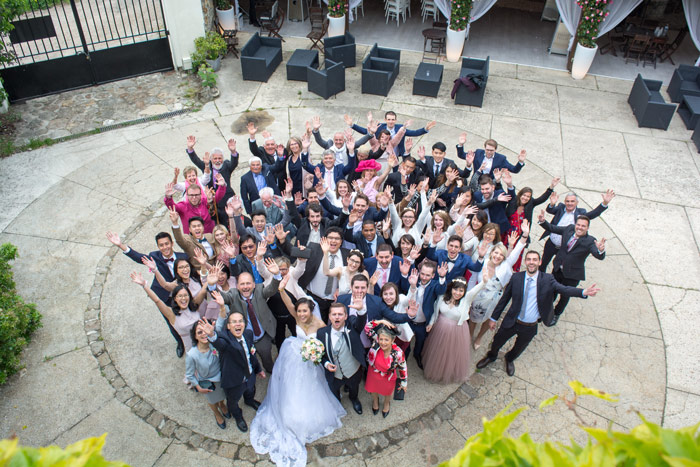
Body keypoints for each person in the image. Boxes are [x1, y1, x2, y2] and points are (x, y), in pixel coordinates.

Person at [250, 287, 346, 467]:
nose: (301, 314)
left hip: (311, 360)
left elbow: (328, 339)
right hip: (294, 353)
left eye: (305, 311)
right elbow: (287, 302)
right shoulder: (296, 317)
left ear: (311, 311)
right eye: (299, 310)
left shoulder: (319, 324)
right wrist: (281, 287)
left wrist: (320, 355)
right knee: (289, 385)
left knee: (312, 388)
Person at [476, 251, 601, 377]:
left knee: (519, 348)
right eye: (529, 259)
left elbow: (564, 289)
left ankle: (509, 359)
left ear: (540, 262)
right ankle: (491, 356)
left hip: (530, 326)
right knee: (497, 341)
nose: (531, 262)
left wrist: (583, 292)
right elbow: (504, 299)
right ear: (525, 262)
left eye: (535, 260)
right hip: (512, 320)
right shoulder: (516, 278)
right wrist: (493, 318)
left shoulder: (548, 279)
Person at [107, 230, 188, 357]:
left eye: (167, 244)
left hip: (182, 295)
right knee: (170, 321)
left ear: (172, 243)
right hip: (164, 296)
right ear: (158, 247)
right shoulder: (154, 256)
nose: (165, 247)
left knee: (186, 317)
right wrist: (120, 245)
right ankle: (180, 342)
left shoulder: (183, 257)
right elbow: (138, 257)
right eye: (161, 245)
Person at [201, 311, 266, 432]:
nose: (238, 324)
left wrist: (258, 369)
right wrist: (212, 335)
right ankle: (238, 416)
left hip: (250, 374)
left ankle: (249, 400)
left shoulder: (248, 334)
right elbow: (220, 344)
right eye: (234, 322)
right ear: (228, 326)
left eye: (240, 321)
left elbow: (251, 354)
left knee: (250, 390)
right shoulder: (225, 339)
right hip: (234, 381)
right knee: (233, 402)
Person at [469, 221, 530, 350]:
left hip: (495, 300)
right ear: (491, 253)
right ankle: (469, 335)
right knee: (473, 319)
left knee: (487, 320)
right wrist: (469, 296)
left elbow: (517, 251)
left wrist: (524, 235)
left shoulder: (505, 267)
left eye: (501, 255)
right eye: (496, 253)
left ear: (504, 258)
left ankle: (479, 337)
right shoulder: (483, 262)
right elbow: (473, 278)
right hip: (479, 297)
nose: (497, 256)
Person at [538, 212, 606, 323]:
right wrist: (542, 221)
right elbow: (552, 228)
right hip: (558, 268)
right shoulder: (569, 229)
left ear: (587, 228)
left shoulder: (590, 241)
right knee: (552, 291)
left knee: (565, 295)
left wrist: (601, 250)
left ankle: (556, 313)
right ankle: (546, 311)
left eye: (583, 226)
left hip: (572, 275)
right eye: (578, 225)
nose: (580, 227)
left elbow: (598, 255)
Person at [130, 269, 216, 352]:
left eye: (185, 295)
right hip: (192, 347)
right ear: (175, 298)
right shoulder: (171, 314)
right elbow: (157, 300)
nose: (183, 298)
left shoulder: (194, 306)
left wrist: (209, 278)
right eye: (180, 296)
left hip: (205, 340)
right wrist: (144, 285)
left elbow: (203, 291)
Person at [218, 262, 282, 373]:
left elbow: (271, 289)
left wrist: (276, 275)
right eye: (242, 284)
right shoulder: (233, 295)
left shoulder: (259, 289)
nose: (245, 287)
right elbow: (220, 296)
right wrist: (211, 285)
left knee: (266, 356)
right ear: (237, 286)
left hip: (262, 336)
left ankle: (270, 370)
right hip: (243, 337)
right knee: (246, 359)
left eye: (248, 283)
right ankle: (252, 372)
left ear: (253, 284)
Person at [422, 278, 486, 384]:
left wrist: (484, 281)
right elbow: (435, 311)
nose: (458, 293)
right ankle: (436, 370)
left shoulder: (466, 300)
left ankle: (447, 372)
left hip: (456, 331)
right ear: (451, 288)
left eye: (461, 291)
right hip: (440, 328)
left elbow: (475, 290)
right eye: (456, 289)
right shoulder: (442, 297)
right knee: (439, 350)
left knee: (451, 352)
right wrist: (431, 323)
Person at [539, 189, 614, 272]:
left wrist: (604, 203)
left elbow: (593, 214)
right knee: (543, 263)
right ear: (564, 202)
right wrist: (552, 204)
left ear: (577, 202)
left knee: (558, 268)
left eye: (572, 201)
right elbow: (550, 210)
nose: (569, 203)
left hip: (565, 247)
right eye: (567, 201)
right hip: (551, 243)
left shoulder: (581, 213)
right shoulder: (560, 207)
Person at [317, 302, 368, 415]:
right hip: (334, 374)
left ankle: (354, 399)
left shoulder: (352, 327)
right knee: (334, 390)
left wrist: (361, 311)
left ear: (345, 316)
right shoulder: (321, 333)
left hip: (353, 370)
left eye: (340, 314)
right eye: (334, 314)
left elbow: (360, 323)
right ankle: (337, 405)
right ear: (329, 316)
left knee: (354, 387)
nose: (337, 317)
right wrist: (326, 364)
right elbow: (320, 355)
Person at [399, 260, 448, 369]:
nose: (424, 277)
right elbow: (403, 287)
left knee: (420, 342)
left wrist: (442, 277)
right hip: (409, 320)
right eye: (422, 274)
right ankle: (404, 359)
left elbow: (441, 290)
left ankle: (417, 355)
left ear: (433, 275)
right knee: (406, 340)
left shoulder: (435, 285)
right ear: (419, 272)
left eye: (427, 275)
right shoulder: (414, 281)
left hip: (422, 322)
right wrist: (409, 281)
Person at [186, 313, 231, 429]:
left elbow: (220, 323)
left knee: (223, 395)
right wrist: (197, 386)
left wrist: (221, 307)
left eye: (205, 330)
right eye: (199, 332)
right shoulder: (192, 355)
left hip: (222, 377)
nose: (204, 334)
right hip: (208, 382)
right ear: (195, 336)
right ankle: (217, 413)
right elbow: (190, 374)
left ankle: (222, 405)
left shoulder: (214, 343)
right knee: (212, 401)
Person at [364, 320, 408, 417]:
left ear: (392, 340)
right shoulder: (376, 342)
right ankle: (375, 401)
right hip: (373, 373)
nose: (383, 343)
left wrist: (404, 382)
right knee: (373, 389)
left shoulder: (398, 353)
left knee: (387, 392)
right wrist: (381, 321)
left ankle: (386, 403)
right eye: (381, 339)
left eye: (386, 340)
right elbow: (367, 328)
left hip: (388, 376)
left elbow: (403, 367)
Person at [348, 110, 436, 156]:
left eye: (393, 119)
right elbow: (365, 132)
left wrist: (425, 128)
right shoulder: (379, 127)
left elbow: (414, 133)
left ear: (395, 120)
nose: (391, 121)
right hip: (380, 155)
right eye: (389, 119)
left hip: (394, 155)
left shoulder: (400, 128)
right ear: (385, 120)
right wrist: (352, 125)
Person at [456, 136, 526, 190]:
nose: (489, 152)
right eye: (487, 150)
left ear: (495, 150)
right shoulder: (478, 153)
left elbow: (514, 169)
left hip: (491, 186)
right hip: (476, 183)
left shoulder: (501, 159)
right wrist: (461, 144)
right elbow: (462, 155)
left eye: (491, 150)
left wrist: (520, 162)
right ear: (484, 148)